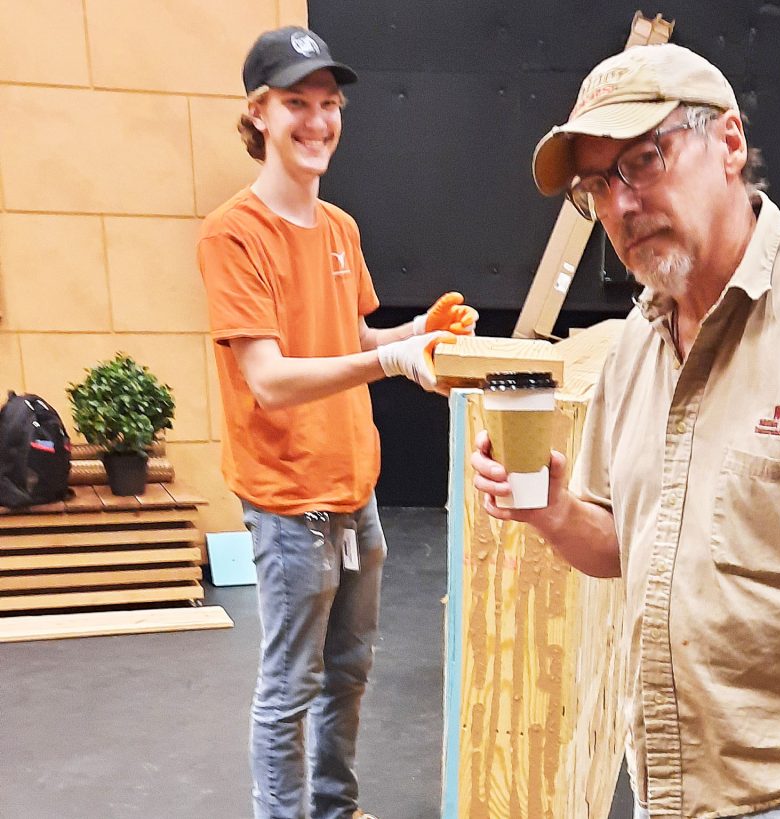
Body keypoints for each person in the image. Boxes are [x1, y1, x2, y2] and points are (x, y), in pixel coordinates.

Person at [472, 43, 780, 819]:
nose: (620, 204)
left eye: (643, 159)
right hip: (667, 792)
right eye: (596, 185)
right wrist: (551, 511)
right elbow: (621, 541)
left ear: (730, 144)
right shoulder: (636, 345)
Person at [197, 26, 477, 819]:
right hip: (289, 503)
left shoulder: (341, 229)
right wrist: (392, 364)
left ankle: (333, 807)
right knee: (291, 685)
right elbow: (272, 378)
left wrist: (414, 332)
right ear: (258, 113)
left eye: (329, 104)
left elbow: (350, 340)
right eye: (297, 104)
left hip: (356, 489)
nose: (317, 121)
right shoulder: (233, 234)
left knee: (349, 669)